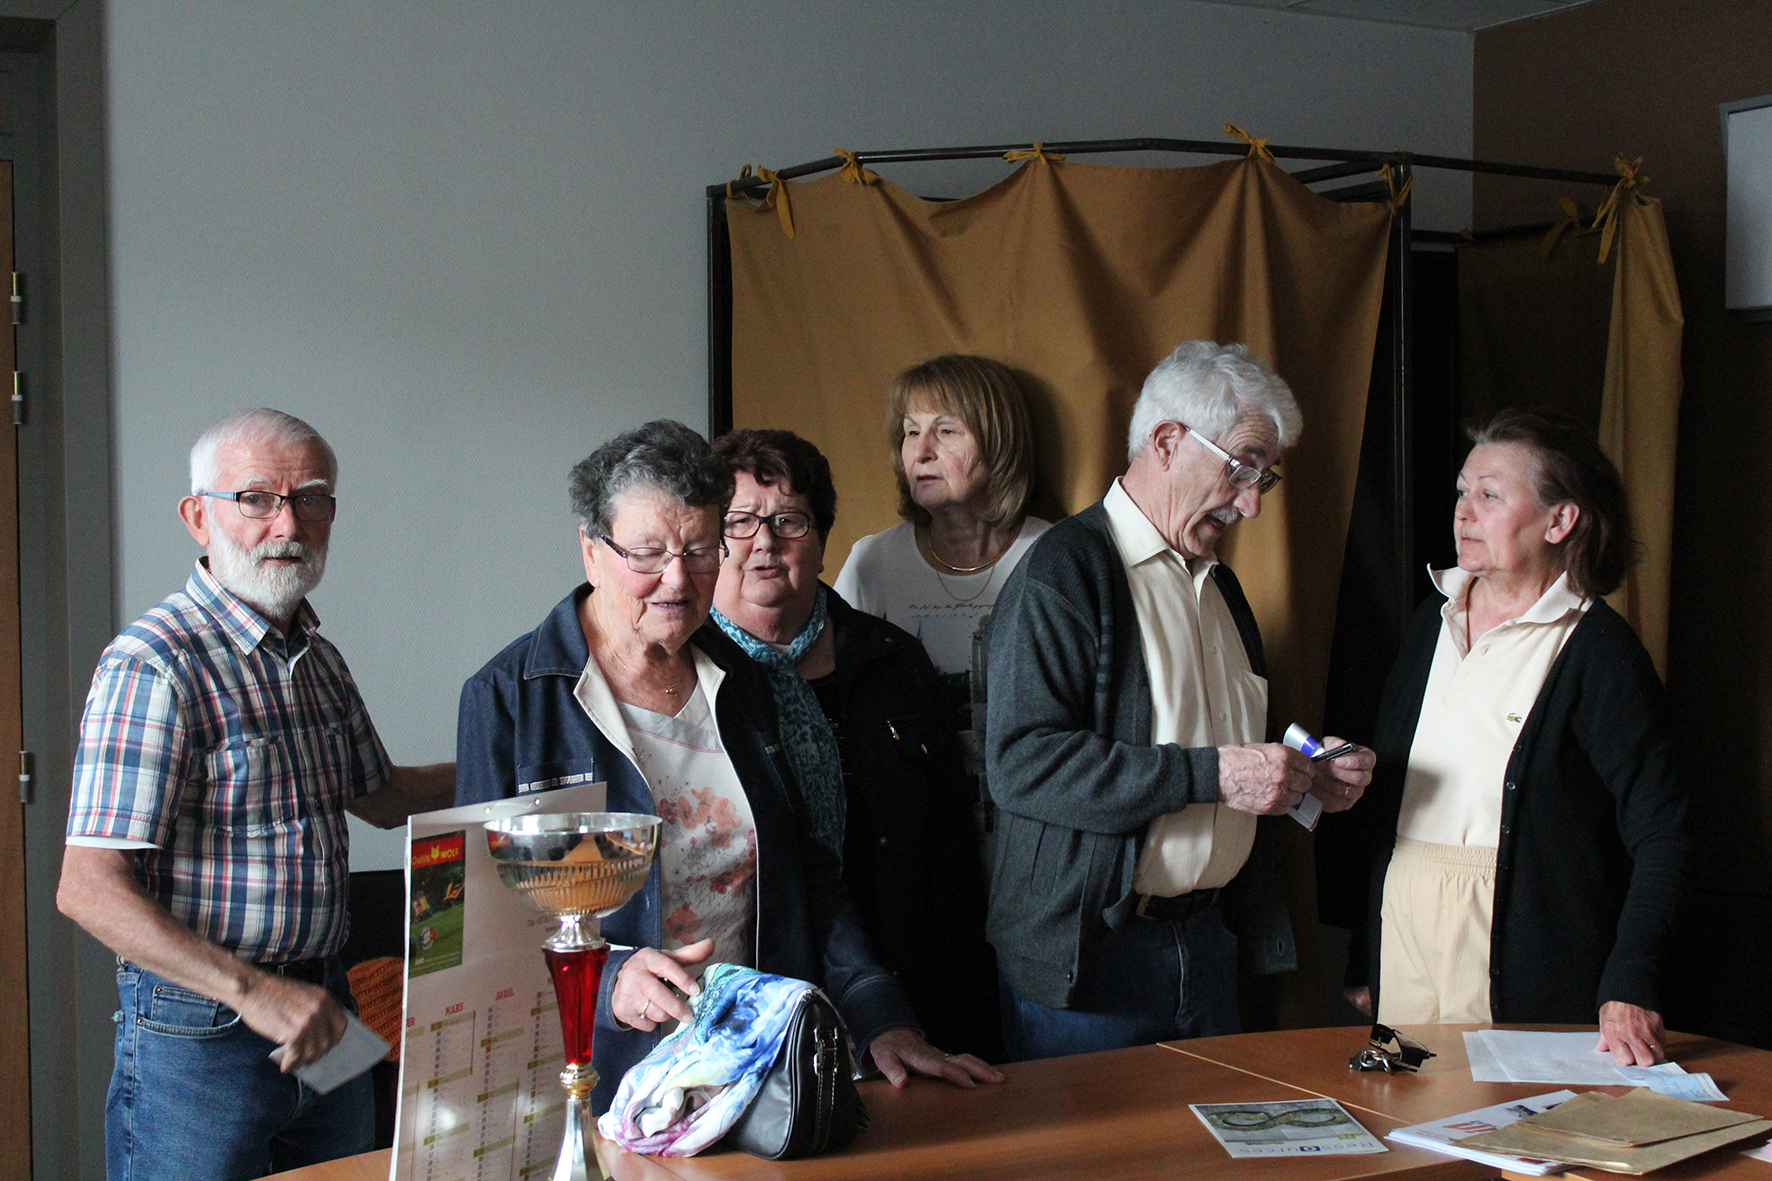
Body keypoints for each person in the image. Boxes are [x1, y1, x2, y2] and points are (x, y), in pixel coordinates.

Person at [454, 420, 1000, 1114]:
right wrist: (613, 979)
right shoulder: (512, 699)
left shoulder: (743, 681)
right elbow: (483, 929)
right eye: (648, 553)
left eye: (700, 550)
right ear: (591, 549)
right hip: (605, 1082)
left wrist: (878, 1014)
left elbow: (807, 874)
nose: (677, 579)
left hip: (758, 1073)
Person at [56, 408, 456, 1181]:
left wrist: (518, 752)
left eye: (310, 498)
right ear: (197, 516)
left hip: (324, 1004)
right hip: (203, 1021)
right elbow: (87, 887)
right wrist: (254, 993)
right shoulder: (156, 663)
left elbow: (384, 797)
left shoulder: (319, 660)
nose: (288, 523)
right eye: (256, 498)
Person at [985, 341, 1374, 1061]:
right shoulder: (1064, 572)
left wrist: (1306, 769)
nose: (1253, 503)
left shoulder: (1219, 585)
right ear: (1166, 442)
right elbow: (1022, 765)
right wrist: (1214, 775)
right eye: (1242, 468)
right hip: (1093, 960)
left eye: (1264, 477)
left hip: (1208, 943)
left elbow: (1227, 736)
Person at [1352, 408, 1687, 1065]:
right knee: (1406, 1115)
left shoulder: (1599, 652)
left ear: (1560, 521)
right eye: (1461, 491)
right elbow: (1390, 798)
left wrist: (1631, 978)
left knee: (1503, 1121)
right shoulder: (1429, 622)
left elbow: (1664, 834)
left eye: (1490, 495)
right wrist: (1365, 955)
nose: (1463, 512)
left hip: (1523, 952)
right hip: (1404, 941)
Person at [710, 427, 1006, 1061]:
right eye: (738, 522)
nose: (764, 543)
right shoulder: (690, 678)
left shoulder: (894, 661)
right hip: (750, 1008)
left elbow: (950, 861)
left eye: (789, 521)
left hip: (910, 993)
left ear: (821, 541)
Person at [832, 355, 1050, 833]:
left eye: (946, 431)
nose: (921, 451)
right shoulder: (873, 563)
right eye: (911, 432)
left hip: (1032, 835)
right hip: (917, 841)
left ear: (1000, 444)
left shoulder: (1055, 557)